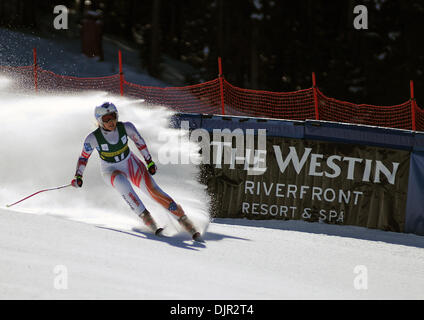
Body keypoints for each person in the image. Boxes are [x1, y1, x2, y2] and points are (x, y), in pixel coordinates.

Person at [71, 102, 201, 241]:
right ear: (99, 120)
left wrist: (149, 161)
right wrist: (78, 176)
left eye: (113, 117)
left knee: (153, 190)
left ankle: (183, 220)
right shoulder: (92, 138)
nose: (111, 122)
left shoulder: (126, 127)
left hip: (130, 163)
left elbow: (140, 142)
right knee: (123, 184)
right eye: (106, 119)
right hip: (110, 170)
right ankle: (147, 219)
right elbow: (83, 158)